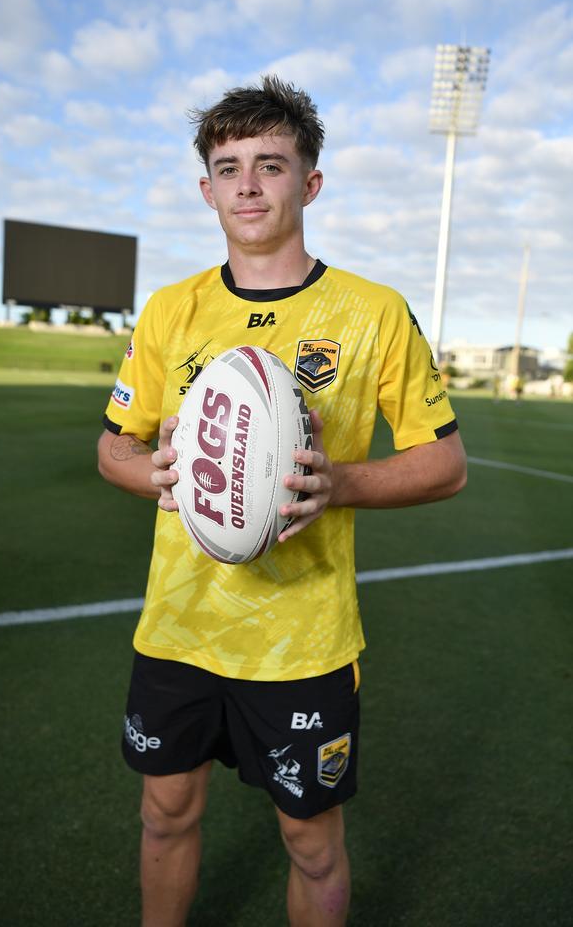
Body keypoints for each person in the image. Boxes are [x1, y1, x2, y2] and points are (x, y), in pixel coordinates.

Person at [97, 75, 467, 927]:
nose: (249, 185)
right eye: (229, 168)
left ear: (311, 182)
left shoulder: (373, 313)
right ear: (207, 189)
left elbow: (445, 463)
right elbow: (114, 443)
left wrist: (338, 483)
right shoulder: (170, 309)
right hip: (178, 629)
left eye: (271, 164)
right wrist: (143, 470)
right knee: (164, 815)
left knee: (310, 842)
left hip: (302, 643)